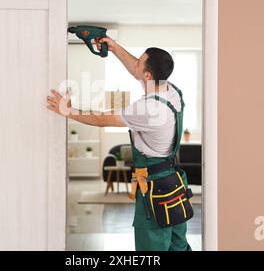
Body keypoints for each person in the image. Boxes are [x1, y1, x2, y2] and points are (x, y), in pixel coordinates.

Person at [46, 37, 192, 251]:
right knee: (178, 246)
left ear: (148, 75)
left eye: (140, 62)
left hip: (154, 188)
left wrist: (67, 109)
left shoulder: (148, 110)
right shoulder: (172, 91)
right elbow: (136, 69)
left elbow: (101, 119)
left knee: (152, 250)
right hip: (176, 183)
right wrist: (113, 47)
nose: (136, 64)